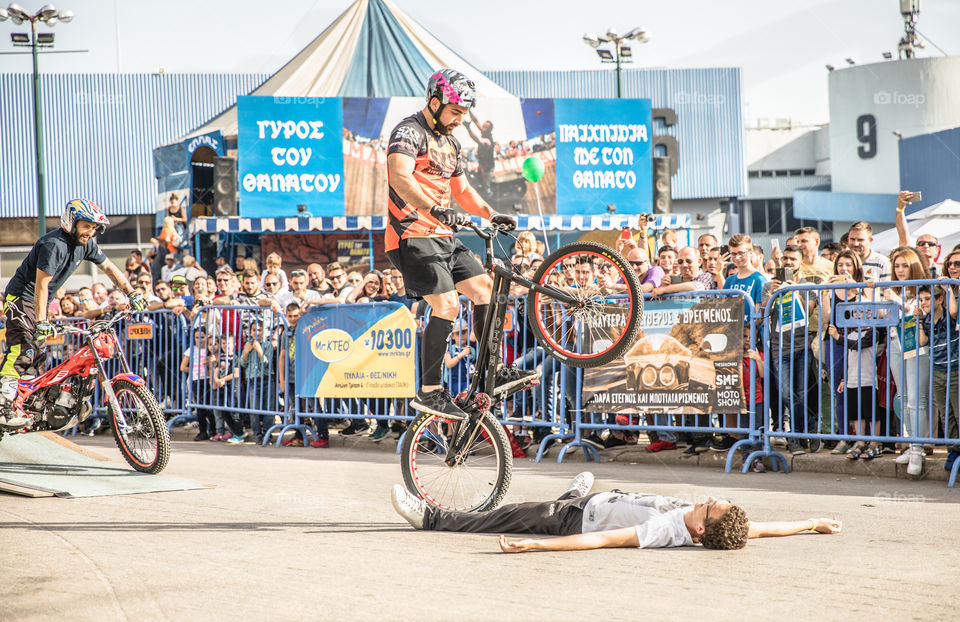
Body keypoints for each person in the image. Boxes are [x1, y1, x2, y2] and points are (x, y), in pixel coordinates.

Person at [384, 68, 532, 419]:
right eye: (455, 113)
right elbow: (399, 177)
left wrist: (490, 214)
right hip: (410, 235)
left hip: (442, 237)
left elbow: (463, 191)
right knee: (448, 305)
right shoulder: (408, 132)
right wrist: (434, 208)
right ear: (434, 103)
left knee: (487, 291)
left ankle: (492, 370)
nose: (460, 121)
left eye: (464, 115)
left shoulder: (451, 144)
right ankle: (430, 391)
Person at [390, 472, 842, 551]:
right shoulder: (727, 527)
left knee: (507, 514)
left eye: (708, 504)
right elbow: (764, 529)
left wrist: (538, 545)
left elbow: (601, 540)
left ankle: (431, 518)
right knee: (579, 495)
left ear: (702, 527)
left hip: (573, 520)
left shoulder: (665, 529)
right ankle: (573, 491)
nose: (705, 497)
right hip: (597, 503)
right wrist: (810, 522)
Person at [0, 199, 146, 427]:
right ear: (72, 222)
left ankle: (25, 404)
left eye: (94, 227)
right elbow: (41, 285)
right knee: (23, 350)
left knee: (38, 355)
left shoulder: (87, 244)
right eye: (86, 226)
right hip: (21, 298)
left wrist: (132, 293)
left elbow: (109, 268)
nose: (90, 231)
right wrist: (41, 320)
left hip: (38, 302)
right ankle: (3, 406)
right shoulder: (54, 244)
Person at [761, 245, 821, 455]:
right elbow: (762, 314)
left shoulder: (808, 285)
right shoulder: (769, 285)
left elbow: (809, 310)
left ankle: (805, 432)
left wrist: (792, 289)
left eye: (792, 259)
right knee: (787, 394)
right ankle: (798, 434)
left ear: (801, 263)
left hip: (802, 347)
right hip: (779, 349)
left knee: (802, 394)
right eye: (785, 258)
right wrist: (773, 293)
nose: (787, 262)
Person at [883, 247, 931, 475]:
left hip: (917, 346)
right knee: (902, 398)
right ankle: (912, 444)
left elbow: (920, 311)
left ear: (913, 266)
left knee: (915, 399)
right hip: (895, 343)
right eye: (897, 266)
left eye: (904, 265)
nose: (900, 270)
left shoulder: (923, 287)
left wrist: (898, 302)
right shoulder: (893, 288)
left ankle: (918, 449)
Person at [917, 285, 960, 471]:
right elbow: (921, 341)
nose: (923, 303)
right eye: (921, 300)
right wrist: (919, 320)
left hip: (954, 369)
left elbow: (953, 311)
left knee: (958, 411)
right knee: (945, 412)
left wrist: (948, 289)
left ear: (939, 300)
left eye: (927, 299)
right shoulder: (926, 320)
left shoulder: (949, 317)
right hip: (937, 370)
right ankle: (953, 449)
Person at [895, 190, 942, 276]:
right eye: (921, 243)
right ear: (916, 249)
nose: (926, 246)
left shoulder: (945, 270)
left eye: (931, 244)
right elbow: (903, 237)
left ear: (937, 250)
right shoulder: (910, 267)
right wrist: (900, 209)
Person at [723, 234, 767, 308]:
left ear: (750, 252)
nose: (737, 257)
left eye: (741, 253)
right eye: (733, 254)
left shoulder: (759, 279)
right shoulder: (729, 280)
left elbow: (759, 314)